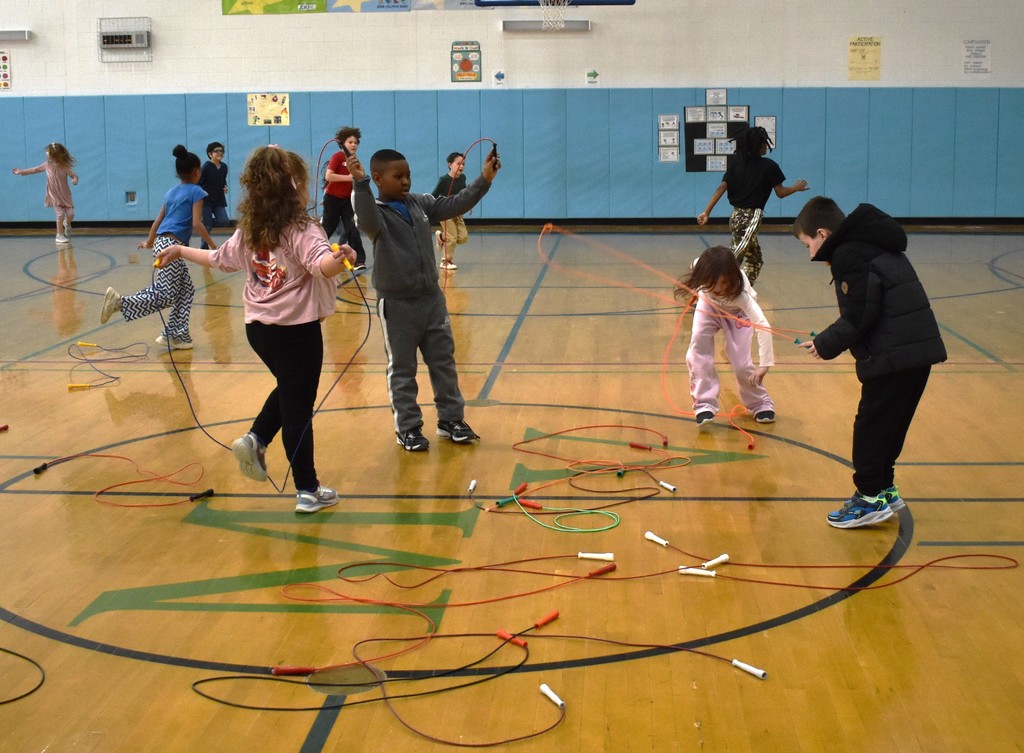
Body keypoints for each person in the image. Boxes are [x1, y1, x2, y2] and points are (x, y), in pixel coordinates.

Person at [155, 145, 356, 514]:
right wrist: (340, 257)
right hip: (296, 332)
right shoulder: (302, 228)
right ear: (294, 184)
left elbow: (219, 259)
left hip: (259, 330)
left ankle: (256, 439)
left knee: (290, 391)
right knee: (298, 409)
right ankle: (308, 490)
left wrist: (181, 251)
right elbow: (320, 265)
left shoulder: (250, 228)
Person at [792, 196, 947, 529]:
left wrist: (825, 343)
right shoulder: (871, 242)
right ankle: (884, 488)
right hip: (917, 350)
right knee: (891, 424)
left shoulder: (849, 254)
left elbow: (859, 315)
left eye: (808, 245)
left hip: (893, 354)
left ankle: (868, 497)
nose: (810, 254)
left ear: (822, 233)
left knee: (871, 426)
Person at [346, 145, 501, 451]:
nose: (406, 181)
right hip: (397, 306)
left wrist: (484, 179)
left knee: (443, 362)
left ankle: (451, 420)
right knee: (403, 369)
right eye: (398, 176)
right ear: (378, 178)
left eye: (408, 175)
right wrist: (360, 183)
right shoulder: (375, 213)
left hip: (432, 300)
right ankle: (408, 428)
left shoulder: (421, 203)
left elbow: (456, 203)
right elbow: (365, 219)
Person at [99, 145, 217, 350]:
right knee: (166, 295)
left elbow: (158, 221)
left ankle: (175, 335)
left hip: (162, 242)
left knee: (186, 290)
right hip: (173, 246)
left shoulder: (171, 192)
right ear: (197, 172)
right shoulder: (197, 192)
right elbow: (197, 224)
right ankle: (119, 303)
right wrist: (214, 246)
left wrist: (149, 242)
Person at [674, 246, 775, 428]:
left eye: (724, 283)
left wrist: (764, 365)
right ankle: (704, 405)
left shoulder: (741, 296)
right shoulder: (700, 267)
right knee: (697, 349)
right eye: (713, 283)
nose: (719, 288)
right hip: (708, 308)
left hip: (738, 315)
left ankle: (760, 404)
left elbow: (763, 325)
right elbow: (695, 266)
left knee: (741, 363)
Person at [697, 126, 809, 285]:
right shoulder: (769, 166)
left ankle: (741, 290)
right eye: (764, 144)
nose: (766, 147)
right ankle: (707, 284)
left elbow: (721, 188)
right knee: (734, 257)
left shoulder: (736, 163)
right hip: (751, 217)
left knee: (755, 260)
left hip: (735, 216)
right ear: (758, 145)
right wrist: (796, 188)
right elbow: (781, 192)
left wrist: (706, 211)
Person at [12, 142, 79, 244]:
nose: (47, 155)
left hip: (65, 193)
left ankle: (67, 223)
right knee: (60, 215)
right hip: (54, 194)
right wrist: (21, 172)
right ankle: (59, 235)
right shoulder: (47, 164)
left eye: (48, 153)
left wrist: (74, 180)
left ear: (55, 155)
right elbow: (35, 169)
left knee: (70, 214)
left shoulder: (64, 166)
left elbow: (74, 175)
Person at [322, 126, 367, 272]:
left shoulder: (354, 160)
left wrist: (358, 172)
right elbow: (328, 176)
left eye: (356, 142)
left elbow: (361, 175)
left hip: (347, 200)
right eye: (350, 142)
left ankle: (359, 260)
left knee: (352, 228)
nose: (354, 145)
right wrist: (348, 178)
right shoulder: (338, 157)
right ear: (343, 143)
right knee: (328, 228)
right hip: (333, 199)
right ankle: (316, 253)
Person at [431, 152, 468, 270]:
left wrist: (469, 204)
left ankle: (441, 237)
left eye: (463, 164)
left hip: (458, 212)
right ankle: (445, 261)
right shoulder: (444, 180)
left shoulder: (462, 178)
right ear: (450, 164)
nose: (461, 166)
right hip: (445, 212)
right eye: (458, 163)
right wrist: (430, 208)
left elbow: (464, 192)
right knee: (451, 238)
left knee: (462, 238)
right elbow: (434, 195)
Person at [198, 141, 230, 250]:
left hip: (219, 200)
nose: (220, 153)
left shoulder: (224, 167)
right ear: (210, 154)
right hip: (206, 201)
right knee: (207, 227)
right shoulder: (206, 167)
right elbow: (198, 183)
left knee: (224, 221)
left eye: (222, 151)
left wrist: (225, 186)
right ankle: (204, 247)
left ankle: (203, 223)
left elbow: (223, 180)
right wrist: (202, 192)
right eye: (217, 151)